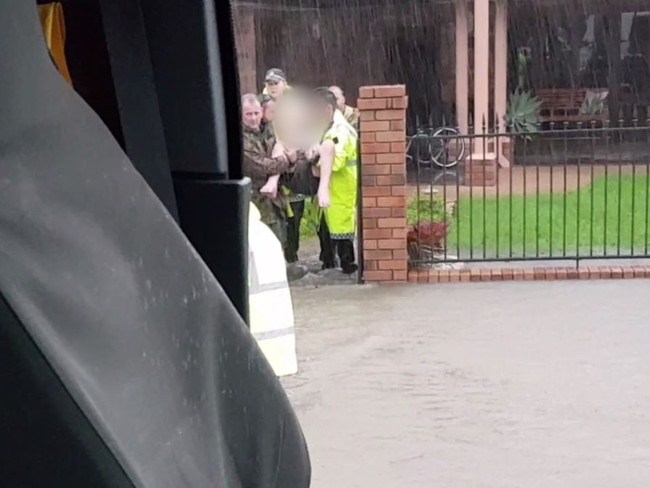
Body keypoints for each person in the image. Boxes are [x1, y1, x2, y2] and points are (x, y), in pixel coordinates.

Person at [310, 87, 359, 274]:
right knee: (327, 230)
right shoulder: (329, 127)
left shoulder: (340, 131)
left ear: (327, 109)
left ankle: (347, 269)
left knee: (342, 233)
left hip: (341, 188)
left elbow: (336, 161)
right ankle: (329, 264)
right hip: (332, 188)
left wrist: (315, 159)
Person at [241, 93, 296, 245]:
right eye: (248, 114)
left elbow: (283, 166)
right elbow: (261, 166)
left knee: (280, 246)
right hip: (255, 205)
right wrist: (284, 159)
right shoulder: (242, 138)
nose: (253, 118)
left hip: (276, 203)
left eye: (256, 113)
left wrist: (291, 162)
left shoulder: (267, 132)